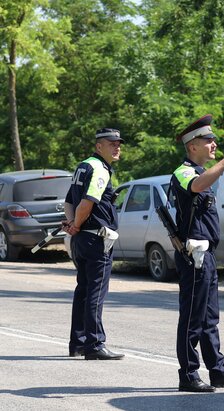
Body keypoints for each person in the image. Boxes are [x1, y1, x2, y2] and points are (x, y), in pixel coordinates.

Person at [171, 114, 224, 393]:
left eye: (214, 140)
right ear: (192, 146)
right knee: (192, 318)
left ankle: (218, 371)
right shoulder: (183, 172)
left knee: (209, 319)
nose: (214, 144)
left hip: (206, 255)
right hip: (193, 256)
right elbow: (197, 185)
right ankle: (188, 375)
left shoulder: (201, 172)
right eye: (208, 140)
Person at [64, 128, 125, 360]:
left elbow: (69, 201)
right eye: (111, 144)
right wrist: (77, 224)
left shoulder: (83, 166)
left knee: (83, 290)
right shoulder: (99, 169)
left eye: (118, 144)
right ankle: (94, 344)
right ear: (99, 146)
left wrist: (73, 224)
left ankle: (78, 343)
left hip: (82, 239)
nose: (117, 147)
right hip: (96, 239)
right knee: (96, 292)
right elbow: (86, 203)